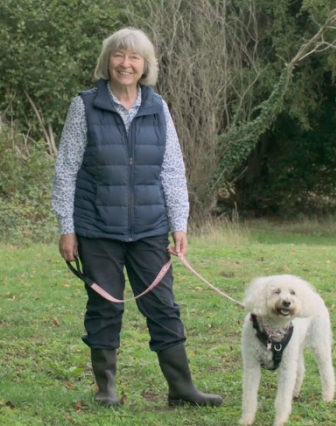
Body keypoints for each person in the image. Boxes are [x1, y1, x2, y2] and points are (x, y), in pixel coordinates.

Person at [51, 27, 223, 408]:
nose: (125, 63)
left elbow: (172, 169)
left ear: (145, 65)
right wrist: (67, 227)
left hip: (149, 228)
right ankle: (106, 389)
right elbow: (66, 170)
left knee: (163, 307)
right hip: (97, 228)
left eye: (134, 57)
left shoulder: (158, 107)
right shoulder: (84, 106)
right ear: (107, 61)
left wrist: (179, 223)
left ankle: (182, 389)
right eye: (119, 55)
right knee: (105, 307)